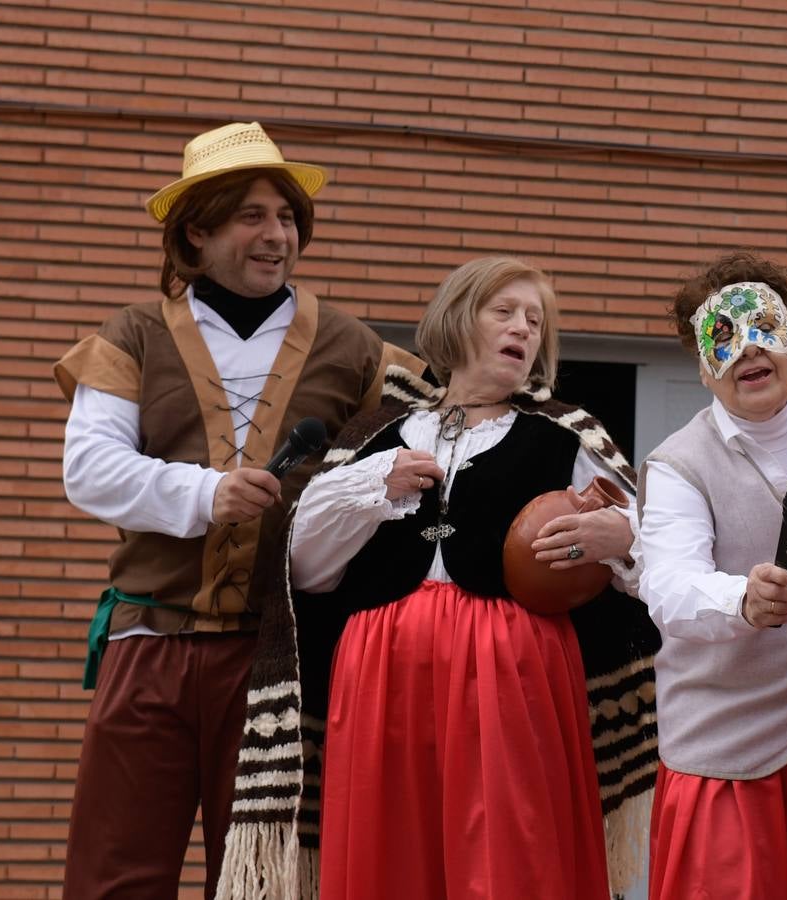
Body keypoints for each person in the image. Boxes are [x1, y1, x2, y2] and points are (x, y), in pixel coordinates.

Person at [214, 256, 661, 899]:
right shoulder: (379, 435)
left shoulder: (565, 438)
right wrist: (373, 485)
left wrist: (621, 539)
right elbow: (306, 571)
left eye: (535, 320)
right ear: (455, 322)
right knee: (389, 854)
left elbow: (654, 556)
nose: (524, 328)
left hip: (514, 670)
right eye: (504, 312)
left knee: (512, 855)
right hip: (382, 670)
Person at [53, 121, 417, 899]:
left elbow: (430, 448)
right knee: (112, 878)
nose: (276, 234)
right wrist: (205, 493)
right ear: (198, 229)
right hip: (147, 640)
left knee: (267, 883)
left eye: (286, 217)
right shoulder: (134, 334)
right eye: (252, 215)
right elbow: (88, 470)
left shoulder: (355, 348)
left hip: (278, 659)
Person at [635, 252, 787, 898]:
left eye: (763, 325)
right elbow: (668, 583)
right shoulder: (678, 465)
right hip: (729, 748)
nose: (747, 349)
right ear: (702, 366)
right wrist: (741, 597)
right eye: (722, 337)